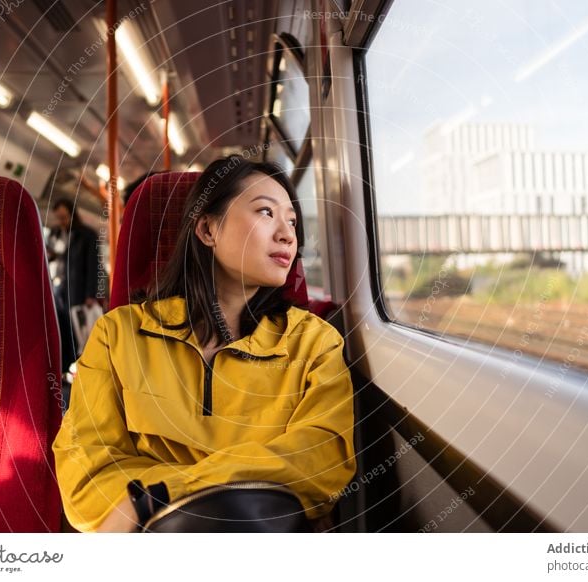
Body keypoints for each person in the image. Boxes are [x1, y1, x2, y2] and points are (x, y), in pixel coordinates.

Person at [52, 156, 356, 532]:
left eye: (292, 221)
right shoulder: (118, 335)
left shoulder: (313, 343)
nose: (287, 235)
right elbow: (84, 467)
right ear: (208, 230)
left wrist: (156, 497)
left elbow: (322, 460)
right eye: (265, 212)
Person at [46, 199, 102, 375]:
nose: (62, 221)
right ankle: (66, 371)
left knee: (82, 335)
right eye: (59, 218)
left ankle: (87, 370)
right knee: (63, 331)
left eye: (64, 217)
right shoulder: (55, 234)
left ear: (71, 214)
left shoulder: (87, 235)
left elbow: (93, 266)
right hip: (59, 292)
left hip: (79, 292)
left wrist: (91, 293)